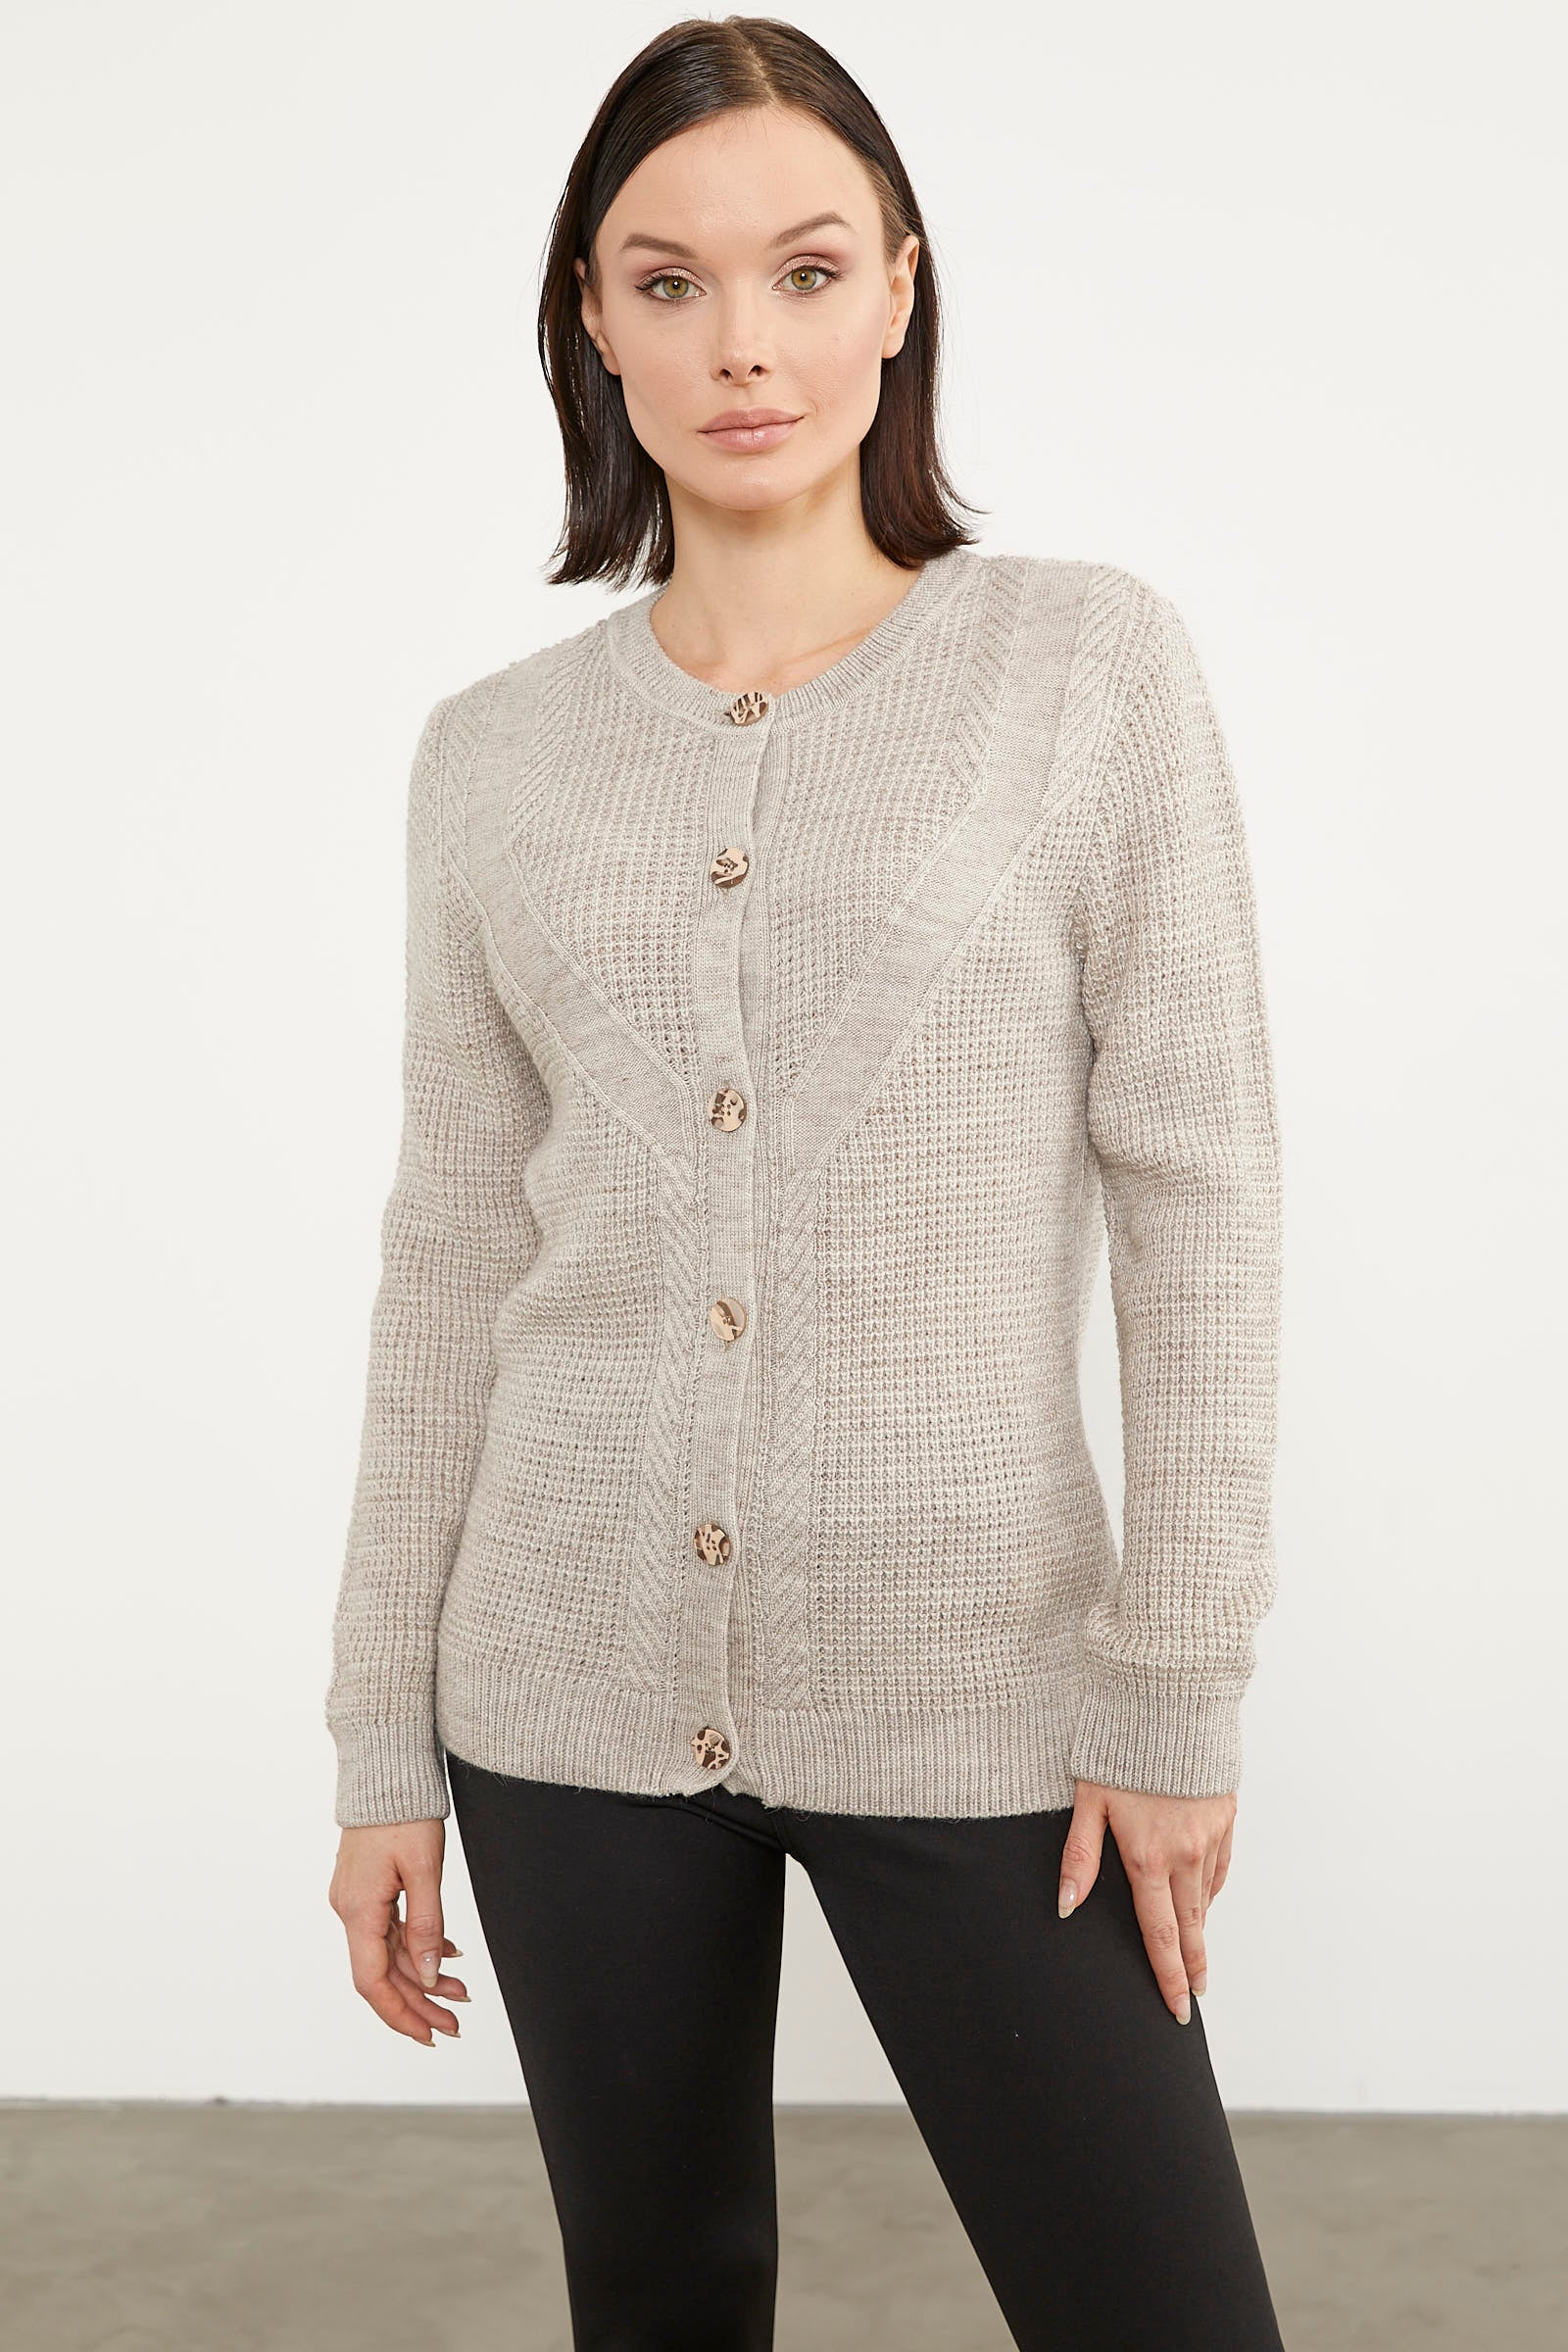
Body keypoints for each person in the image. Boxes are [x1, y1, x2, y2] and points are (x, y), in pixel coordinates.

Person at [324, 17, 1287, 2349]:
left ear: (898, 289)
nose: (738, 344)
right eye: (665, 283)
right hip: (555, 1688)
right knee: (658, 2298)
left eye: (803, 269)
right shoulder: (492, 759)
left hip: (980, 1677)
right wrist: (378, 1744)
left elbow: (1198, 1187)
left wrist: (1170, 1688)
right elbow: (450, 1250)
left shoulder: (1078, 667)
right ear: (590, 319)